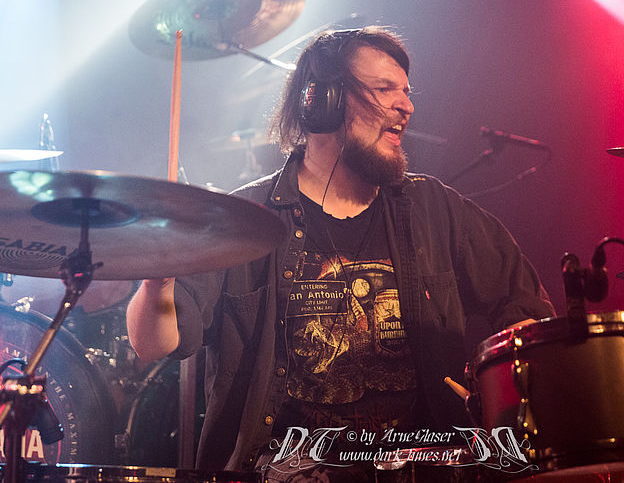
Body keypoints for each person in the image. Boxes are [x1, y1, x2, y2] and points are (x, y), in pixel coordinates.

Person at [126, 26, 554, 480]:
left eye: (406, 92)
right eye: (384, 89)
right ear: (323, 102)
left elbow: (528, 310)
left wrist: (500, 388)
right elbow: (152, 343)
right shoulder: (244, 220)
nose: (406, 106)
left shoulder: (436, 209)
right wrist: (156, 282)